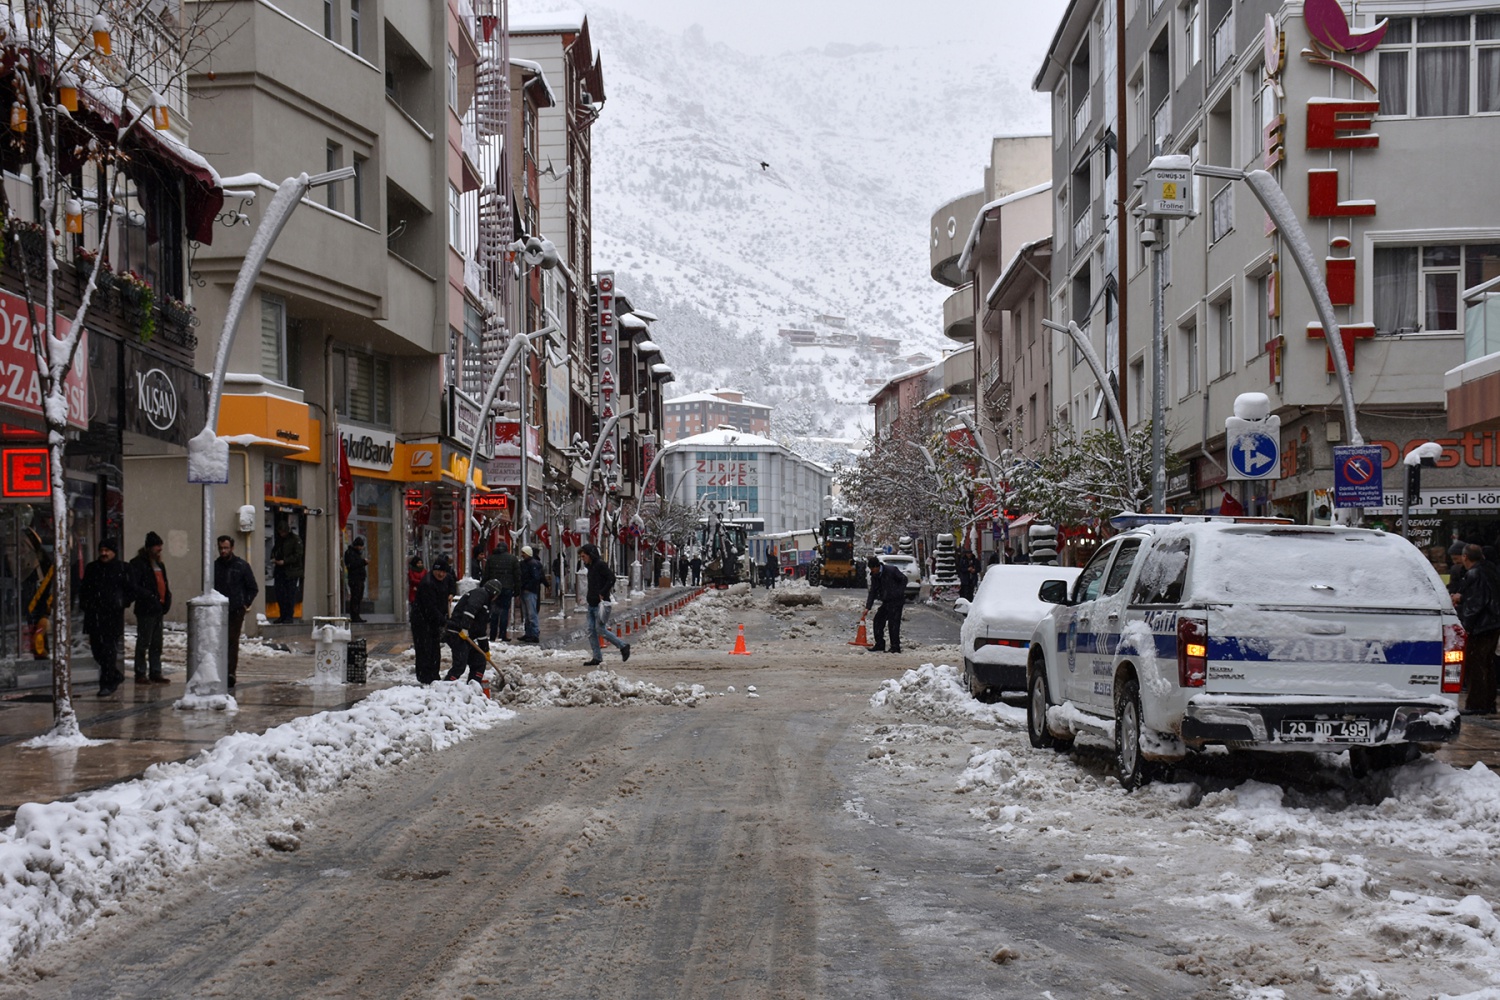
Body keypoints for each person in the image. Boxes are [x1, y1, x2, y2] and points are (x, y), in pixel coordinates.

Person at [1453, 542, 1500, 715]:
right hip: (1493, 623)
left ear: (1465, 557)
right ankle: (1488, 703)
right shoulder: (1490, 570)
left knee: (1475, 664)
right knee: (1487, 663)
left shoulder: (1474, 573)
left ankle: (1476, 704)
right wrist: (1462, 597)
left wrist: (1466, 626)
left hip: (1481, 626)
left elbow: (1475, 604)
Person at [80, 537, 130, 696]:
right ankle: (114, 674)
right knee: (97, 651)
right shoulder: (92, 568)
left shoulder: (122, 568)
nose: (104, 553)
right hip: (94, 615)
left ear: (113, 552)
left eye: (107, 550)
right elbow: (84, 588)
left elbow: (131, 589)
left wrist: (122, 603)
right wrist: (85, 604)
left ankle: (107, 683)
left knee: (109, 651)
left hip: (112, 616)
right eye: (101, 550)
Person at [213, 535, 259, 690]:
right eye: (221, 548)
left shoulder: (241, 566)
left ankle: (230, 673)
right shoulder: (215, 566)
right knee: (219, 641)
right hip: (219, 609)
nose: (223, 551)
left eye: (226, 548)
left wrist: (244, 604)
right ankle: (219, 671)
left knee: (232, 641)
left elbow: (253, 587)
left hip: (235, 609)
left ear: (232, 548)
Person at [128, 531, 172, 683]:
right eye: (157, 546)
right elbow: (134, 586)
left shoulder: (159, 564)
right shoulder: (138, 564)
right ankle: (140, 672)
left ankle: (155, 671)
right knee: (144, 642)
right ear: (149, 547)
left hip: (158, 607)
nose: (160, 549)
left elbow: (164, 583)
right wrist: (150, 597)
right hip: (146, 609)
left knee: (156, 643)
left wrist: (166, 599)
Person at [579, 542, 630, 665]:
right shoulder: (590, 567)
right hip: (591, 604)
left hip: (601, 604)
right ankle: (597, 657)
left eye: (583, 556)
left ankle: (623, 646)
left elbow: (611, 578)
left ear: (590, 555)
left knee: (600, 629)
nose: (582, 559)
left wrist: (602, 592)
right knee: (591, 631)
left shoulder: (600, 565)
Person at [445, 579, 498, 684]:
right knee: (460, 665)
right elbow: (470, 610)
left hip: (465, 636)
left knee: (479, 660)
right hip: (457, 632)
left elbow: (481, 630)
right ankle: (444, 687)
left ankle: (473, 687)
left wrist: (485, 650)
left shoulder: (486, 605)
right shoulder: (481, 594)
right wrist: (465, 628)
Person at [412, 557, 455, 685]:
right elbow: (430, 608)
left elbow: (452, 583)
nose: (441, 574)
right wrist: (444, 621)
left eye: (444, 572)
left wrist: (451, 593)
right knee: (424, 649)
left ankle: (434, 676)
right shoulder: (427, 583)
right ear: (433, 570)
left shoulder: (446, 578)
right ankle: (424, 677)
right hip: (422, 620)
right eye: (439, 571)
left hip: (434, 620)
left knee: (435, 649)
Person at [864, 554, 908, 654]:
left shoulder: (891, 571)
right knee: (878, 620)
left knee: (893, 623)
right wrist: (868, 607)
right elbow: (872, 591)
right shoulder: (874, 576)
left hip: (897, 601)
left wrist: (898, 592)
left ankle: (895, 647)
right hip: (887, 601)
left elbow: (904, 579)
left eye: (872, 569)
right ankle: (880, 644)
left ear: (877, 566)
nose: (872, 571)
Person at [482, 539, 521, 641]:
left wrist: (483, 586)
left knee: (494, 612)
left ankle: (492, 635)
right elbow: (517, 576)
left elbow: (486, 575)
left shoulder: (491, 558)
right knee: (504, 611)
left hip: (494, 589)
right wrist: (517, 589)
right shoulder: (512, 559)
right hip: (507, 588)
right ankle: (503, 634)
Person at [271, 520, 303, 623]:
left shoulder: (295, 540)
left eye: (283, 532)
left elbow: (298, 555)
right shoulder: (279, 540)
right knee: (280, 595)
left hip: (291, 572)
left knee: (289, 595)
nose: (282, 534)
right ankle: (282, 615)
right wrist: (274, 558)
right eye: (280, 532)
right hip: (280, 571)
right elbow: (274, 550)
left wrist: (285, 561)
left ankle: (288, 616)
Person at [518, 544, 544, 643]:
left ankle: (534, 634)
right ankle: (528, 633)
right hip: (525, 590)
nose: (522, 555)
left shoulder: (533, 564)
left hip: (530, 591)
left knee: (531, 614)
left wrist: (527, 587)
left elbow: (535, 578)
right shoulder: (524, 563)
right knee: (526, 614)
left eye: (523, 553)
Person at [342, 536, 367, 622]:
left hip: (358, 579)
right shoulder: (350, 553)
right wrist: (363, 562)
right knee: (355, 598)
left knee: (358, 598)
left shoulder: (355, 553)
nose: (361, 548)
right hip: (355, 579)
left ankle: (356, 616)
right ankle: (354, 616)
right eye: (360, 546)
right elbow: (352, 565)